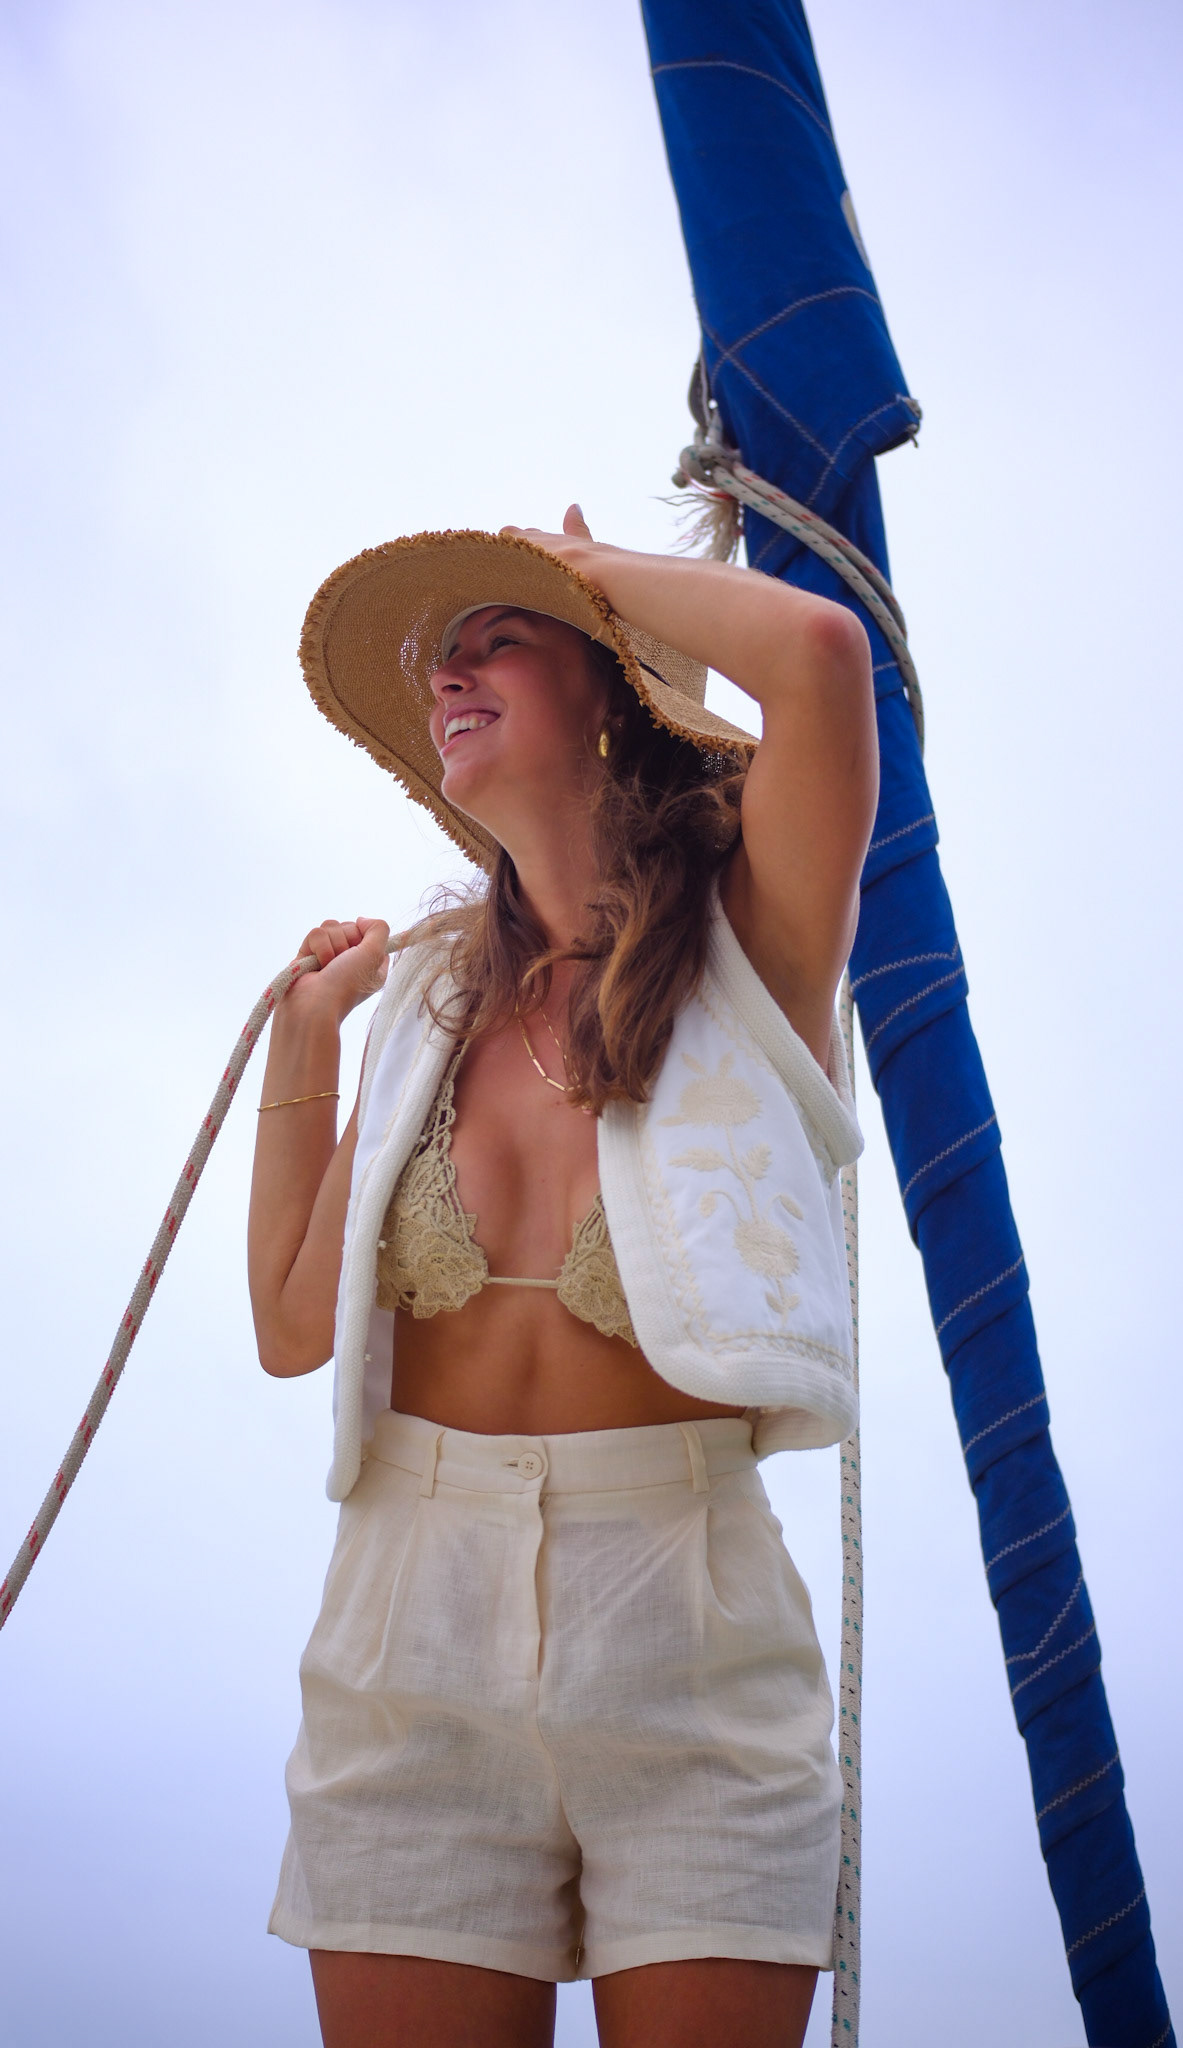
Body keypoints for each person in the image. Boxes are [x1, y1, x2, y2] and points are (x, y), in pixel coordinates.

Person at [247, 507, 877, 2048]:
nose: (449, 671)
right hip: (409, 1628)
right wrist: (306, 1044)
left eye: (500, 637)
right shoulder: (426, 1007)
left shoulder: (757, 945)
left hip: (690, 1627)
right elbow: (289, 1327)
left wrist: (588, 579)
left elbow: (818, 655)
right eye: (443, 652)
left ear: (608, 693)